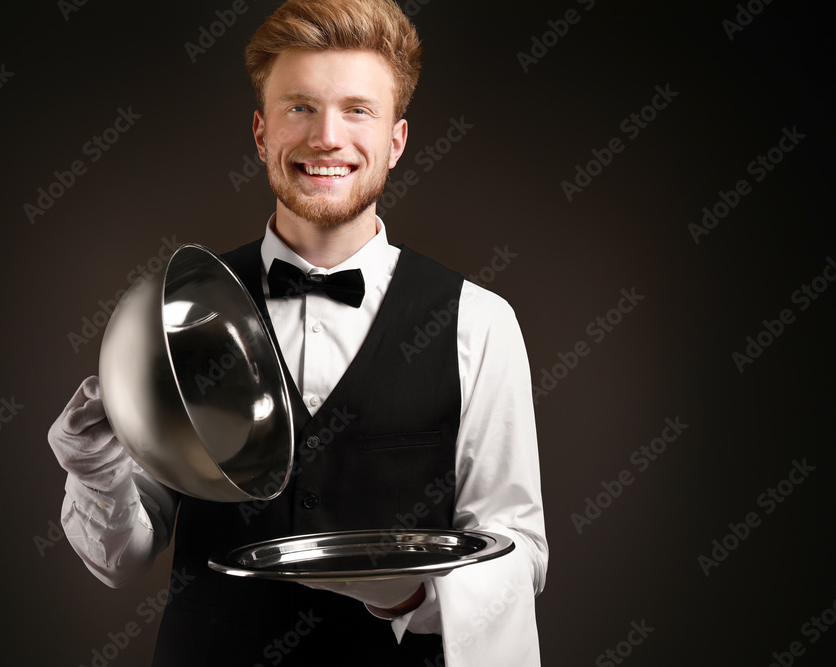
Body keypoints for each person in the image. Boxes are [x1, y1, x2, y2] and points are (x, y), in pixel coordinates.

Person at [48, 0, 548, 664]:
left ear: (396, 141)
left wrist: (406, 596)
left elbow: (519, 551)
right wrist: (95, 469)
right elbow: (121, 557)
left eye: (357, 110)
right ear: (261, 134)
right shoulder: (183, 309)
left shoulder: (480, 322)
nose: (326, 138)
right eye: (300, 108)